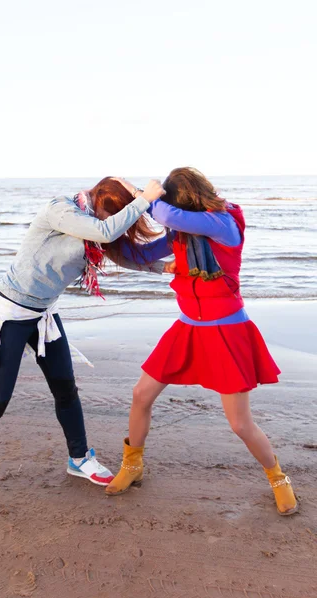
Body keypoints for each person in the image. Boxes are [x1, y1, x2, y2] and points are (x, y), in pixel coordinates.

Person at [0, 177, 169, 512]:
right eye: (106, 215)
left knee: (66, 389)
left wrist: (165, 267)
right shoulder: (61, 209)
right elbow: (104, 232)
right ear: (98, 197)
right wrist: (144, 199)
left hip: (43, 314)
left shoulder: (97, 226)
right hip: (11, 314)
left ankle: (78, 458)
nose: (106, 223)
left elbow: (116, 251)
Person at [105, 167, 298, 517]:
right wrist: (101, 238)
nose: (170, 217)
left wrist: (140, 194)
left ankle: (278, 478)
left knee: (240, 424)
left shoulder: (223, 224)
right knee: (140, 395)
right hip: (187, 329)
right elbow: (141, 256)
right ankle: (132, 465)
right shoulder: (183, 233)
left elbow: (164, 213)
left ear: (187, 201)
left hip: (227, 332)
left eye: (173, 204)